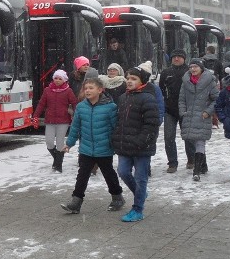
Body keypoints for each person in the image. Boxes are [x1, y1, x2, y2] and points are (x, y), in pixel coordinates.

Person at [60, 77, 125, 214]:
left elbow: (115, 129)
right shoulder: (81, 107)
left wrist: (117, 145)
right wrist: (69, 144)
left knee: (109, 175)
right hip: (86, 149)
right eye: (86, 88)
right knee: (82, 176)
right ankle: (75, 203)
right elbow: (76, 127)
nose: (87, 91)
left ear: (100, 90)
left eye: (91, 88)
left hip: (104, 148)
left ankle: (117, 197)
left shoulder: (110, 107)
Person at [111, 64, 160, 222]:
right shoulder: (123, 98)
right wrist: (117, 138)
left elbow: (152, 124)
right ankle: (141, 193)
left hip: (142, 147)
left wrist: (141, 141)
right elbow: (119, 122)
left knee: (141, 178)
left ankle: (138, 209)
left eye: (134, 78)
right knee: (123, 172)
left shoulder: (148, 98)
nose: (129, 81)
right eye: (127, 78)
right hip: (125, 146)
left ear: (142, 81)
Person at [179, 57, 217, 181]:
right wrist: (183, 112)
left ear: (201, 68)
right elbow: (182, 99)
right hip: (189, 116)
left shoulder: (210, 81)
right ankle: (203, 165)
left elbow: (216, 99)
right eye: (191, 67)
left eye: (195, 67)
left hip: (202, 116)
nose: (193, 69)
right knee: (192, 141)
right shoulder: (186, 81)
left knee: (200, 141)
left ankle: (196, 171)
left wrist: (208, 111)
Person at [31, 69, 77, 173]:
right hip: (50, 120)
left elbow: (74, 103)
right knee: (49, 142)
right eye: (55, 78)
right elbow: (42, 104)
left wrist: (76, 115)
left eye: (60, 78)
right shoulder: (47, 90)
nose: (57, 80)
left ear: (64, 80)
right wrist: (36, 116)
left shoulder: (68, 91)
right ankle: (57, 159)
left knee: (60, 142)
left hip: (63, 121)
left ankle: (58, 166)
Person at [158, 49, 192, 172]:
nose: (176, 59)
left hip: (186, 109)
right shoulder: (166, 72)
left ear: (184, 58)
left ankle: (191, 160)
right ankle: (172, 162)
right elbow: (161, 89)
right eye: (174, 57)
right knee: (168, 137)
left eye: (179, 57)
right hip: (169, 110)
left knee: (188, 137)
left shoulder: (190, 72)